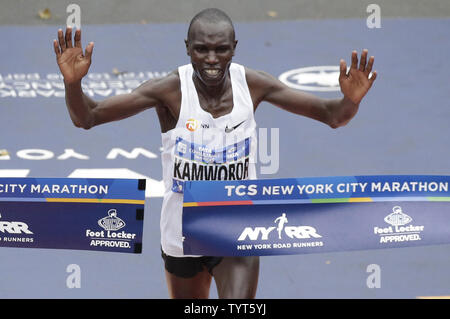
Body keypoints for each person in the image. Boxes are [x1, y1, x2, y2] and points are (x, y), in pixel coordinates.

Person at [53, 8, 376, 299]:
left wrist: (350, 101)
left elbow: (331, 115)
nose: (211, 59)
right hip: (181, 231)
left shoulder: (252, 85)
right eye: (202, 49)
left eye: (221, 49)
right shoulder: (169, 90)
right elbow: (88, 117)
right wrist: (73, 84)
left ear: (234, 47)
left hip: (237, 226)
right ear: (187, 49)